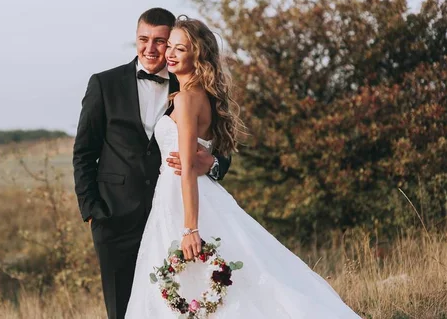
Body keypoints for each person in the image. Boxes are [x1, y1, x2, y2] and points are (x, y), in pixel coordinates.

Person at [125, 16, 361, 318]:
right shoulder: (203, 97)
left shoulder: (185, 100)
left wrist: (190, 228)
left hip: (183, 198)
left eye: (179, 49)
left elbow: (186, 166)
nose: (169, 54)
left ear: (197, 55)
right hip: (187, 194)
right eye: (169, 46)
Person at [72, 8, 231, 319]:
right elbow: (83, 151)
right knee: (122, 311)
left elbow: (220, 149)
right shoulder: (104, 84)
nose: (152, 48)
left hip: (170, 214)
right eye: (143, 39)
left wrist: (211, 163)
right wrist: (92, 210)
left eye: (161, 41)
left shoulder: (187, 82)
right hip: (114, 216)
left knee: (175, 306)